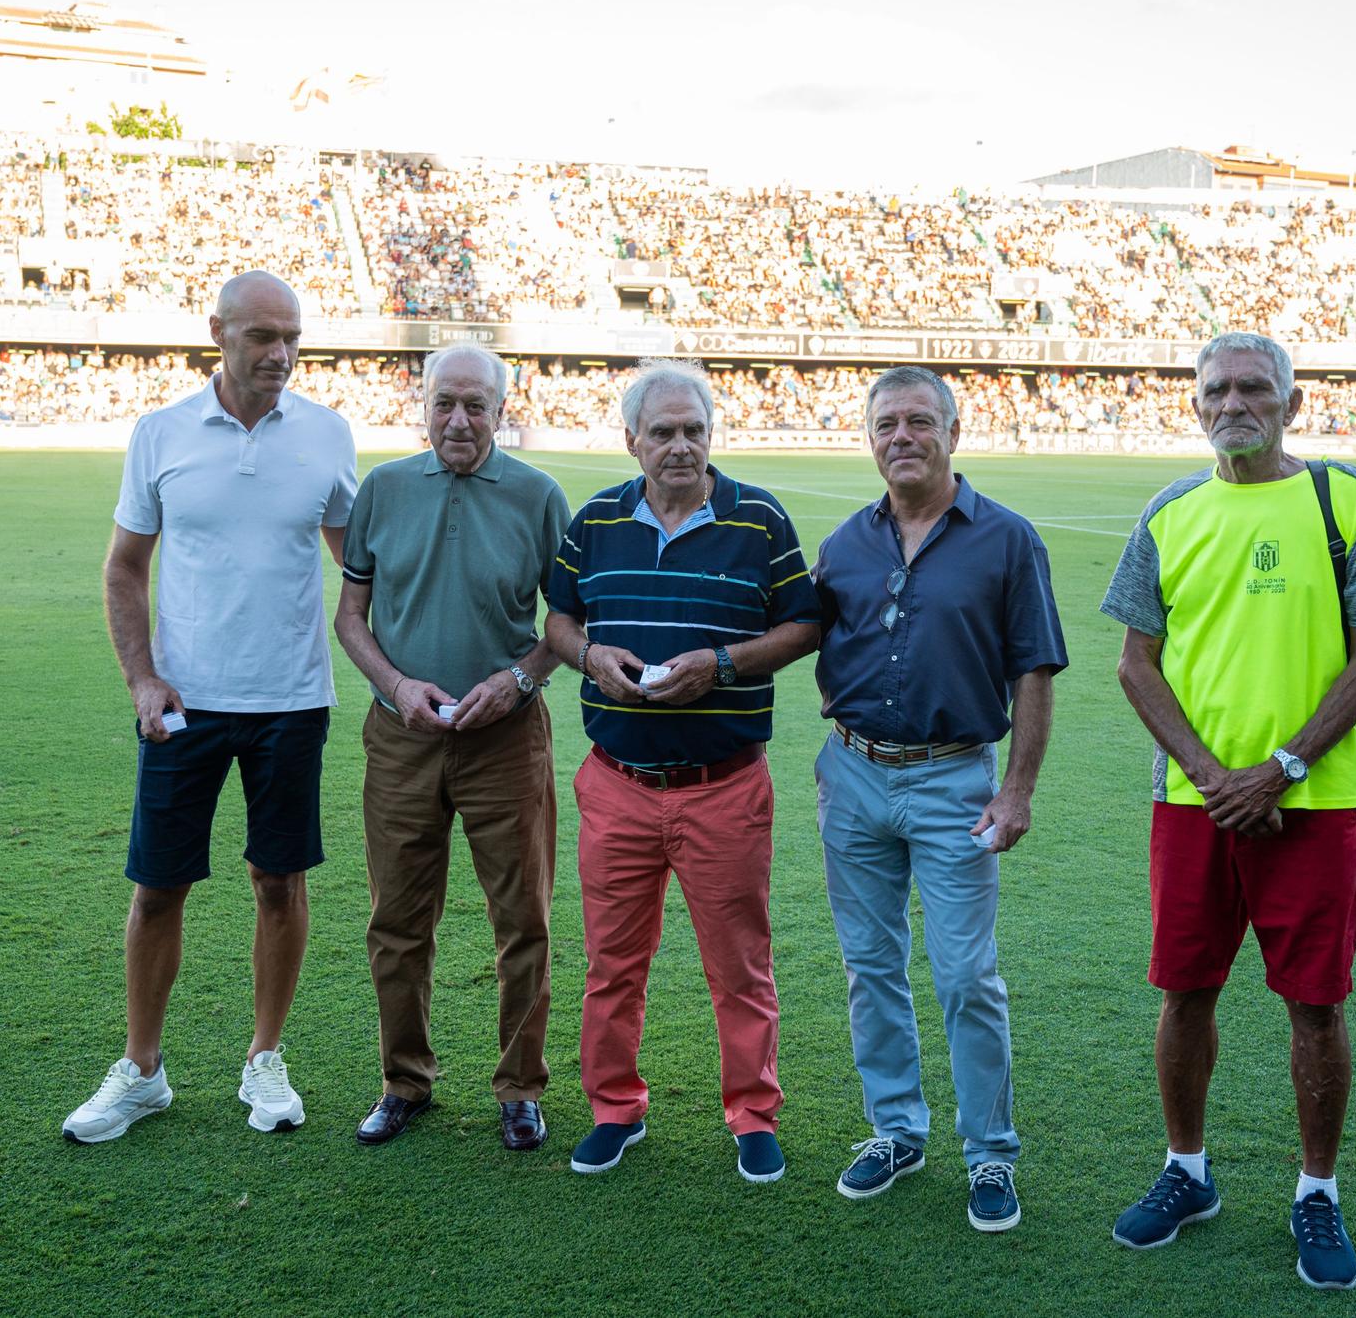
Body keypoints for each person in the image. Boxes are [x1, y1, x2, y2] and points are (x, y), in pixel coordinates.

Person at [1099, 331, 1356, 1290]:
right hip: (1194, 805)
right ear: (1195, 403)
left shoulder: (1343, 498)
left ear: (1292, 401)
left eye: (1253, 388)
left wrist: (1274, 769)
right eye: (1215, 388)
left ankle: (1317, 1188)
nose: (1233, 401)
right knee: (1185, 989)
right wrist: (1210, 773)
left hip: (1315, 802)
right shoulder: (1169, 511)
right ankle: (1185, 1170)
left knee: (1315, 1004)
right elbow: (1134, 662)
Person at [62, 271, 358, 1143]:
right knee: (158, 889)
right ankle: (143, 1069)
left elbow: (362, 565)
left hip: (293, 701)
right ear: (217, 333)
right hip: (184, 704)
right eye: (263, 336)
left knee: (279, 881)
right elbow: (124, 566)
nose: (280, 354)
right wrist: (142, 678)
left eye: (293, 337)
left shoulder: (327, 434)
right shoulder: (160, 434)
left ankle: (265, 1057)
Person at [543, 358, 819, 1183]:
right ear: (631, 440)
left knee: (740, 962)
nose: (680, 446)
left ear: (711, 434)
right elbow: (558, 617)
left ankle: (753, 1114)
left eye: (694, 429)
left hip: (724, 784)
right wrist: (590, 656)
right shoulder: (594, 520)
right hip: (618, 782)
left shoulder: (759, 519)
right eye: (662, 432)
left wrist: (723, 665)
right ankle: (615, 1108)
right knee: (611, 961)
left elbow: (802, 625)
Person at [811, 365, 1067, 1234]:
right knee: (870, 966)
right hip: (852, 774)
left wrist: (1019, 786)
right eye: (888, 422)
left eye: (921, 420)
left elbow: (1033, 667)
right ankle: (896, 1129)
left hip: (957, 777)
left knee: (966, 975)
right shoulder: (847, 542)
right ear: (870, 436)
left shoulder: (1006, 539)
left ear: (953, 431)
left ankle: (990, 1149)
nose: (903, 436)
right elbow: (822, 642)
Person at [332, 344, 570, 1152]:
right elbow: (351, 618)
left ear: (503, 411)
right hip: (403, 738)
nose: (459, 420)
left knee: (523, 919)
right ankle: (405, 1080)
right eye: (445, 404)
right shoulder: (384, 490)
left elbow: (566, 630)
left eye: (476, 405)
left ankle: (520, 1087)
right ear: (422, 405)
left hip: (506, 741)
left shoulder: (539, 497)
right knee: (397, 919)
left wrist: (519, 679)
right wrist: (398, 687)